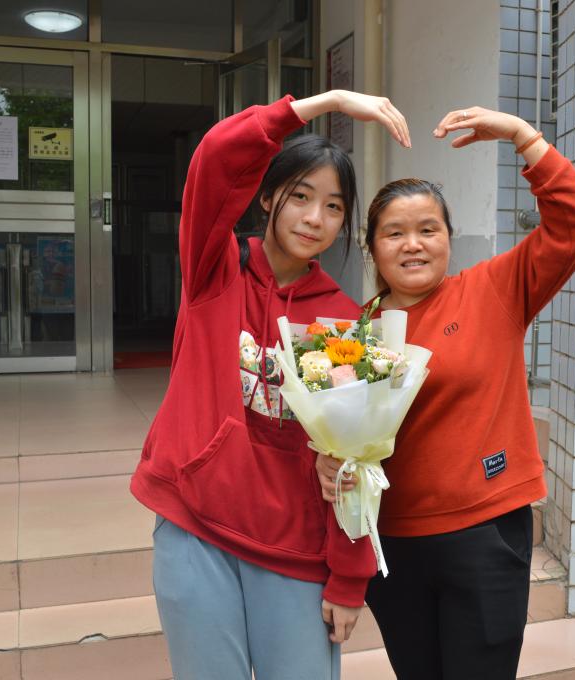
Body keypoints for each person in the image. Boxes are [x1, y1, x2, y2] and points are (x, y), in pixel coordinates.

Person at [130, 90, 410, 680]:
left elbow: (355, 463)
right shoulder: (214, 271)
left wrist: (349, 576)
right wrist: (326, 102)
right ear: (266, 197)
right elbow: (214, 157)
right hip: (196, 529)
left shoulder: (343, 322)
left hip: (294, 548)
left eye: (333, 207)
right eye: (300, 196)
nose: (314, 218)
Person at [316, 106, 575, 680]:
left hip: (484, 533)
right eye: (394, 233)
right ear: (373, 248)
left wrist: (522, 137)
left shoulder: (493, 289)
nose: (413, 245)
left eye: (429, 230)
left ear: (449, 239)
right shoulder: (353, 332)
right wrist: (329, 462)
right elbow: (342, 435)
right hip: (393, 541)